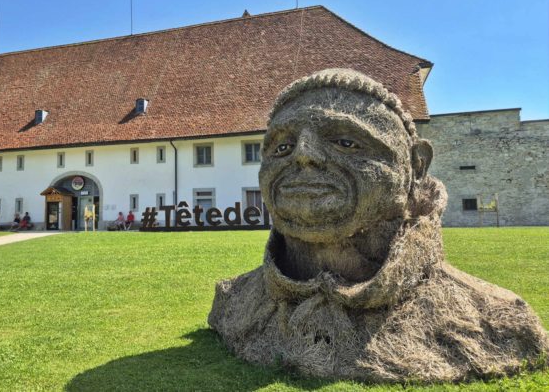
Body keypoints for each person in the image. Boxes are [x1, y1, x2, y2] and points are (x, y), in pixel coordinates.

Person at [208, 69, 548, 382]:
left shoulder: (495, 321)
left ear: (415, 167)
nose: (303, 154)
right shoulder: (235, 300)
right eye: (282, 147)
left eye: (345, 142)